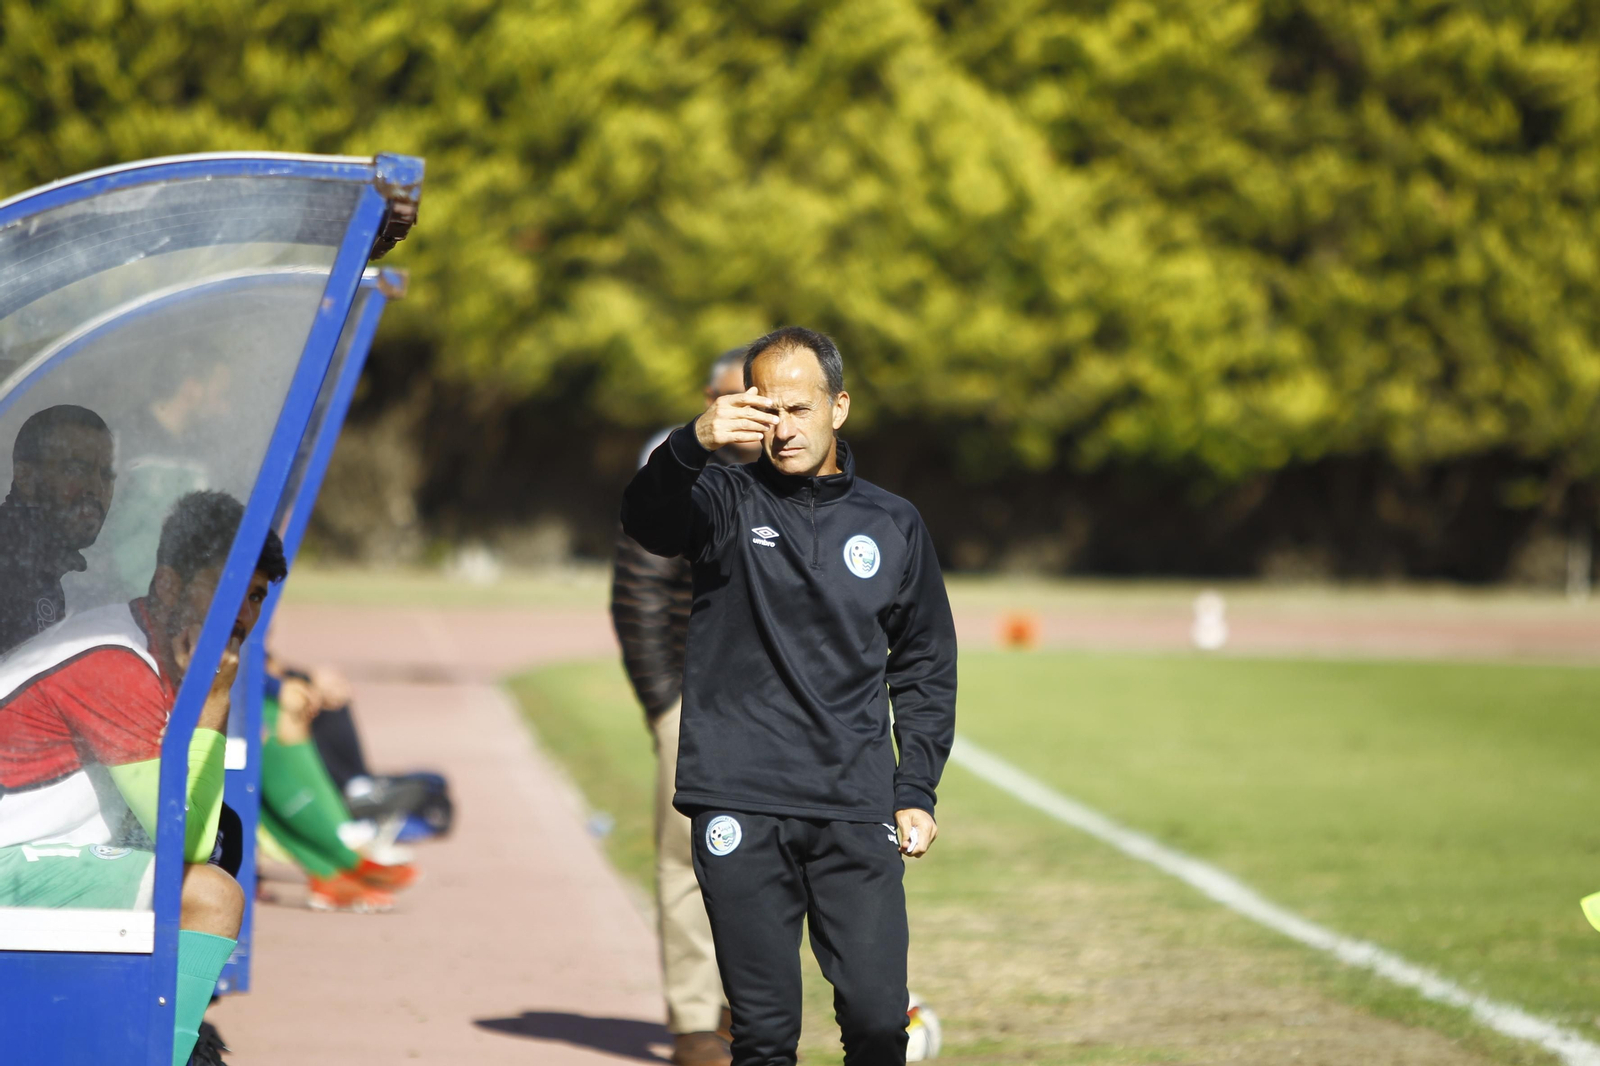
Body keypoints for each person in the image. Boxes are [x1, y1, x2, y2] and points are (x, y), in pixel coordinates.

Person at [621, 327, 958, 1066]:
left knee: (876, 1022)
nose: (784, 428)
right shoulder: (720, 499)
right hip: (739, 799)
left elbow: (927, 662)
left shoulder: (893, 522)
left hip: (853, 801)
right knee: (765, 1037)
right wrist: (692, 442)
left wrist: (916, 789)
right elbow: (644, 518)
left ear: (839, 408)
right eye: (767, 410)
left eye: (800, 409)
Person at [0, 490, 286, 1066]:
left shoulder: (152, 647)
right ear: (170, 585)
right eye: (226, 585)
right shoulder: (115, 661)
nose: (244, 613)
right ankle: (162, 1053)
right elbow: (186, 836)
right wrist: (215, 700)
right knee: (209, 895)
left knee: (223, 836)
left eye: (255, 595)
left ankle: (159, 1040)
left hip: (25, 852)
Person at [611, 347, 757, 1066]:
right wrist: (664, 705)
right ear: (708, 399)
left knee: (776, 861)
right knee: (686, 860)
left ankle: (746, 1009)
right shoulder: (674, 475)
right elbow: (636, 593)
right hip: (690, 701)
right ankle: (697, 1025)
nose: (751, 411)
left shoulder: (794, 474)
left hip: (779, 708)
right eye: (736, 396)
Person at [256, 661, 419, 913]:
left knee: (314, 696)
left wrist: (303, 677)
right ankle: (345, 859)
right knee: (284, 718)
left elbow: (260, 655)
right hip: (220, 687)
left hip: (244, 678)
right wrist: (278, 686)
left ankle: (336, 861)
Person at [0, 405, 115, 654]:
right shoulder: (11, 564)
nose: (96, 488)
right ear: (25, 477)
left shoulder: (45, 565)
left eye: (106, 474)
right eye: (75, 470)